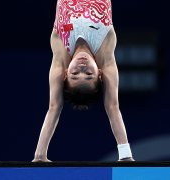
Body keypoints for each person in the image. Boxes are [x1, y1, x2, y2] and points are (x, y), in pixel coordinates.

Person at [32, 0, 134, 162]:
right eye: (88, 74)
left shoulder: (61, 51)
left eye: (74, 74)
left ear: (65, 74)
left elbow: (54, 106)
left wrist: (40, 155)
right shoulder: (105, 53)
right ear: (100, 74)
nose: (82, 67)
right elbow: (112, 106)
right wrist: (125, 154)